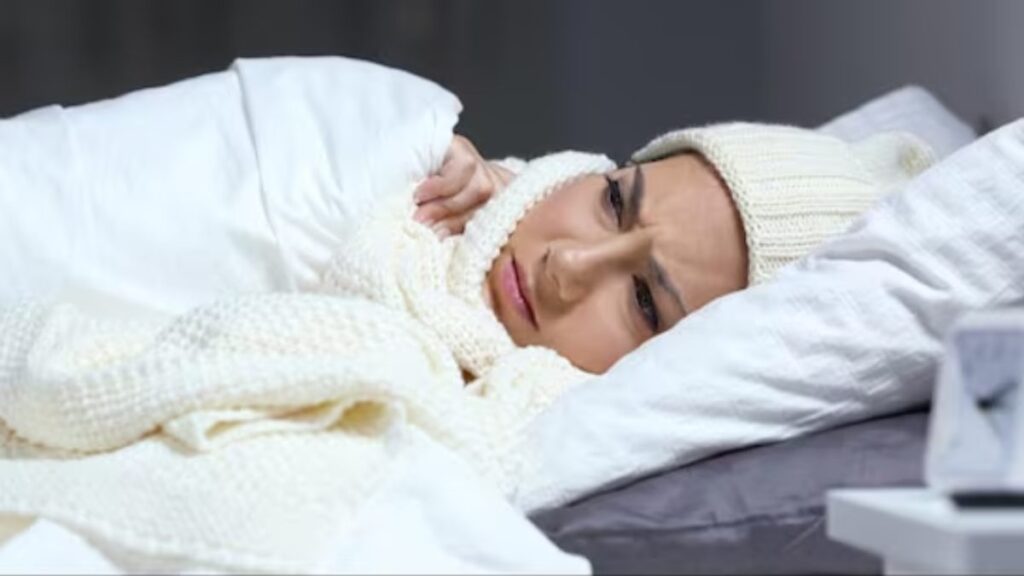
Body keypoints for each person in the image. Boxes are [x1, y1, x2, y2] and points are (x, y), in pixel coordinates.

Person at [415, 125, 935, 373]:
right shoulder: (441, 180)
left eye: (644, 301)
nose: (566, 265)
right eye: (614, 201)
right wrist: (417, 148)